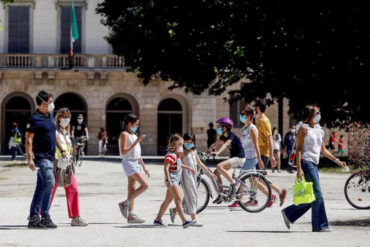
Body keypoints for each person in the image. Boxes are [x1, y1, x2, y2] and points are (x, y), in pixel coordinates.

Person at [281, 105, 347, 232]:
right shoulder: (303, 129)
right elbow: (299, 150)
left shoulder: (317, 129)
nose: (319, 115)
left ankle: (289, 213)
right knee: (318, 194)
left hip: (313, 164)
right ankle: (320, 226)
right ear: (310, 115)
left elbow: (323, 150)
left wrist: (338, 161)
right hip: (306, 163)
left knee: (312, 197)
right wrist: (299, 169)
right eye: (316, 113)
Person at [228, 106, 275, 208]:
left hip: (252, 158)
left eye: (243, 114)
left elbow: (256, 145)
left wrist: (259, 160)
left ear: (249, 116)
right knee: (253, 180)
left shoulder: (252, 129)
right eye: (241, 114)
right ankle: (270, 196)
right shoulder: (244, 128)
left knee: (241, 178)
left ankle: (238, 199)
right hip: (247, 157)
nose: (241, 116)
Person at [49, 108, 88, 227]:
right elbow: (56, 142)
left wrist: (71, 150)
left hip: (67, 164)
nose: (67, 119)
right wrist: (62, 150)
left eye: (68, 117)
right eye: (64, 117)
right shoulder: (54, 130)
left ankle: (75, 217)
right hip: (57, 163)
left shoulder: (65, 132)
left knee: (73, 189)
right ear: (58, 118)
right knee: (50, 190)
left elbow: (66, 145)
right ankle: (40, 213)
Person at [169, 133, 216, 226]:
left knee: (188, 197)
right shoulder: (182, 152)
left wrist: (210, 173)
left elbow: (200, 164)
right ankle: (194, 219)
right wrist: (188, 168)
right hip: (185, 175)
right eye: (187, 142)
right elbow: (177, 163)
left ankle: (174, 210)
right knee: (192, 196)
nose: (189, 143)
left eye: (191, 142)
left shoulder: (194, 151)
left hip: (194, 176)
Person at [26, 90, 57, 229]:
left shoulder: (50, 116)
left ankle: (33, 217)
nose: (52, 104)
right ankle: (45, 216)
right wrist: (29, 158)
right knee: (50, 182)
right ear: (43, 103)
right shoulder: (34, 119)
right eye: (50, 102)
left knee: (40, 187)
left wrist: (61, 150)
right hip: (41, 157)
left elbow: (53, 134)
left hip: (50, 157)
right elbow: (29, 140)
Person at [154, 134, 197, 228]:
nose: (182, 146)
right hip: (172, 180)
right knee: (178, 200)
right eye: (180, 144)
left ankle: (158, 219)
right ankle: (184, 221)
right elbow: (166, 168)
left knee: (168, 200)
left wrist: (189, 168)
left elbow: (179, 165)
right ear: (175, 144)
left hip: (174, 181)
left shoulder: (176, 156)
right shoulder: (170, 155)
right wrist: (168, 180)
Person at [254, 99, 287, 206]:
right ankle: (275, 193)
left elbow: (270, 139)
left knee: (255, 178)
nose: (254, 108)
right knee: (256, 178)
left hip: (264, 152)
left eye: (255, 107)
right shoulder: (256, 118)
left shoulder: (265, 121)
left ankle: (274, 194)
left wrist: (272, 156)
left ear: (258, 108)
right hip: (258, 151)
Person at [118, 114, 149, 224]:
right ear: (129, 124)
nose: (136, 126)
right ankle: (125, 204)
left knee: (132, 187)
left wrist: (144, 166)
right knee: (145, 185)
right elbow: (123, 151)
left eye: (137, 124)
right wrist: (136, 142)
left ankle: (131, 214)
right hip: (128, 162)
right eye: (135, 124)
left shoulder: (134, 134)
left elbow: (137, 153)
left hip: (135, 162)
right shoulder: (124, 134)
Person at [208, 117, 246, 204]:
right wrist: (207, 150)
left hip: (239, 158)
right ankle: (221, 195)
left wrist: (218, 152)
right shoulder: (222, 136)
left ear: (224, 128)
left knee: (219, 166)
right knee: (216, 172)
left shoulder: (231, 135)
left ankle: (233, 184)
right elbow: (215, 144)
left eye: (219, 126)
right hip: (233, 158)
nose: (218, 128)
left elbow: (225, 145)